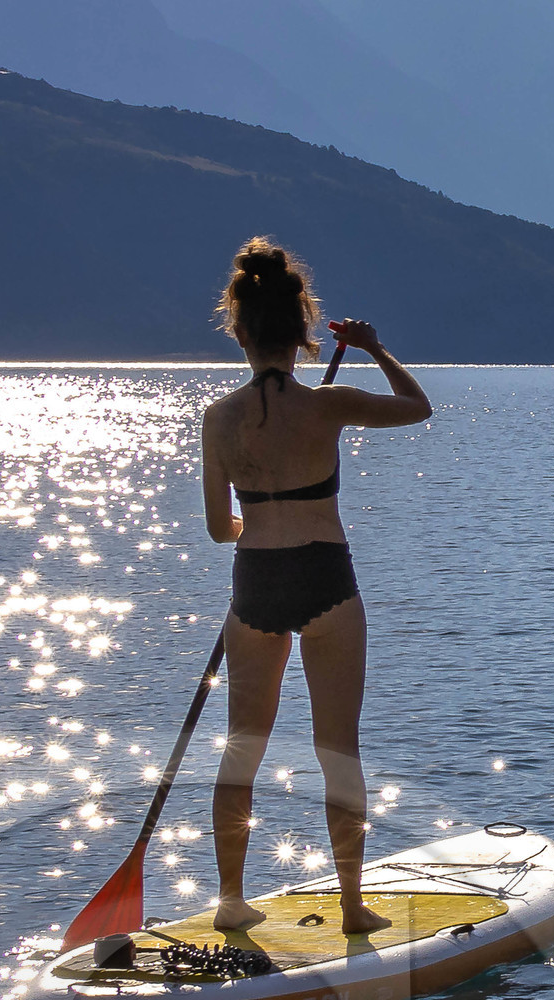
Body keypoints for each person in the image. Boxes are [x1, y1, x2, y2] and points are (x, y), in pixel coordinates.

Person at [201, 237, 431, 937]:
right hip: (327, 578)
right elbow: (416, 406)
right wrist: (374, 348)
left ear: (240, 332)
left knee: (242, 747)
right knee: (339, 750)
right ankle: (353, 906)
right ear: (301, 333)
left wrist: (253, 521)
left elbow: (219, 530)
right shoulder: (330, 404)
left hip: (256, 586)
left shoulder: (218, 418)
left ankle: (232, 900)